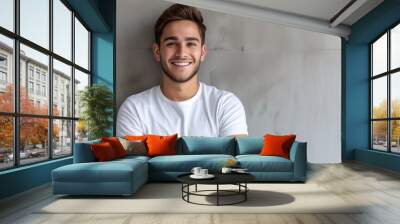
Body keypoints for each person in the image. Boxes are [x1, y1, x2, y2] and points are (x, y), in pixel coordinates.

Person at [116, 4, 248, 137]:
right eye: (171, 44)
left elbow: (235, 158)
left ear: (202, 53)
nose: (181, 53)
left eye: (191, 44)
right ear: (157, 52)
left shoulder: (225, 105)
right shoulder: (134, 109)